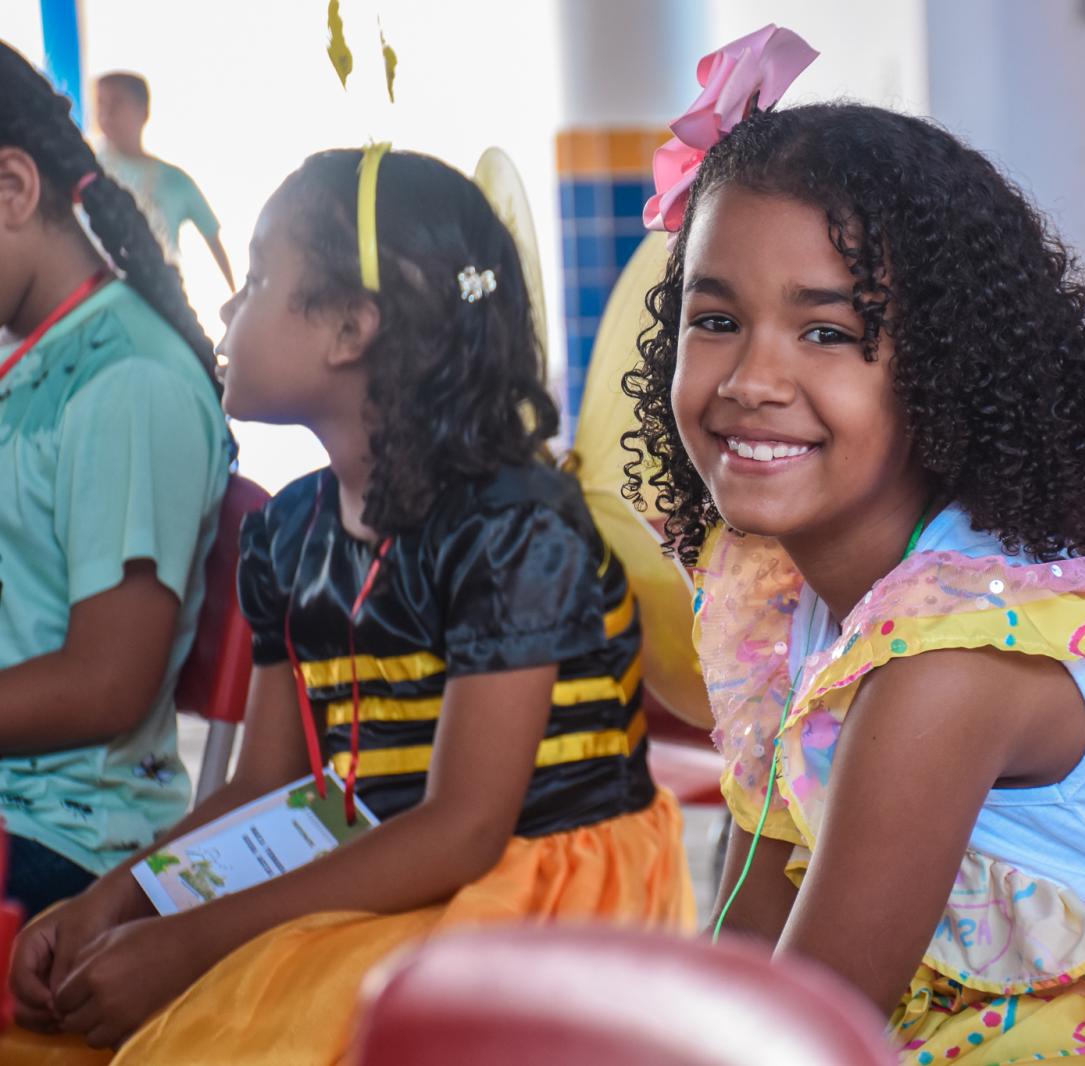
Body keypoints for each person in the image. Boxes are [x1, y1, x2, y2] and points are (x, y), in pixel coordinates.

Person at [622, 49, 1085, 1063]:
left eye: (827, 331)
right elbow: (748, 935)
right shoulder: (785, 604)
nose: (751, 378)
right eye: (717, 320)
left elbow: (802, 1027)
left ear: (945, 369)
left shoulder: (946, 667)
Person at [4, 146, 691, 1063]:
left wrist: (193, 941)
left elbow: (464, 830)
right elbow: (269, 785)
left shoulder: (514, 533)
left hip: (529, 890)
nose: (227, 306)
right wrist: (119, 897)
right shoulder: (291, 534)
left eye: (253, 281)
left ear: (349, 329)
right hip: (384, 861)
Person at [0, 43, 230, 918]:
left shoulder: (129, 381)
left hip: (65, 840)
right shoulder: (28, 351)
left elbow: (108, 683)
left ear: (15, 190)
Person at [95, 71, 234, 289]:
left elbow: (213, 241)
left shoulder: (175, 181)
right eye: (101, 103)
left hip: (158, 295)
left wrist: (234, 295)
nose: (106, 113)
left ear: (143, 112)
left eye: (117, 103)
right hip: (97, 291)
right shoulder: (87, 166)